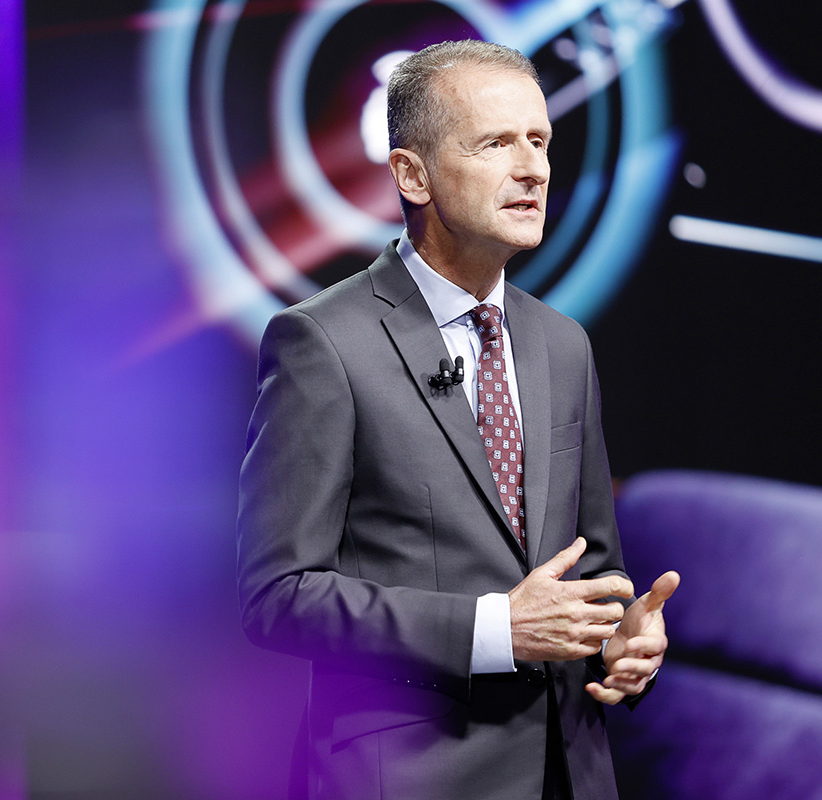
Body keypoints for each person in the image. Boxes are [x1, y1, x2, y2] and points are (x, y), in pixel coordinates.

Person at [237, 40, 679, 800]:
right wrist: (494, 631)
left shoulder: (563, 344)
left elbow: (593, 573)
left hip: (569, 773)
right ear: (412, 175)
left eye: (540, 140)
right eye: (496, 143)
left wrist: (618, 642)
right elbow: (278, 597)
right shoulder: (324, 343)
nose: (534, 168)